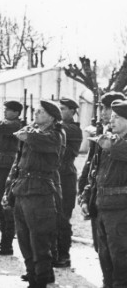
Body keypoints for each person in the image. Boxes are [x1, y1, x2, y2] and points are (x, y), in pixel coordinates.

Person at [3, 100, 66, 288]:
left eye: (40, 112)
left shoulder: (56, 134)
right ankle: (32, 276)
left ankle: (41, 279)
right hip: (22, 189)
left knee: (39, 240)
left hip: (40, 191)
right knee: (23, 240)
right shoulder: (30, 133)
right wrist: (8, 191)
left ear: (51, 117)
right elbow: (17, 164)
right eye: (36, 111)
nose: (36, 114)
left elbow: (45, 143)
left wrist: (28, 135)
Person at [81, 99, 127, 287]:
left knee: (121, 255)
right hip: (101, 206)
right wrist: (85, 198)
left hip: (121, 209)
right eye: (112, 117)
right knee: (104, 254)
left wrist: (108, 144)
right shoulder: (107, 142)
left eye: (117, 117)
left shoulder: (113, 144)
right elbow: (94, 173)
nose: (111, 121)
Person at [0, 100, 22, 256]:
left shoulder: (17, 125)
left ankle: (7, 244)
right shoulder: (5, 124)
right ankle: (3, 240)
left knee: (6, 207)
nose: (5, 112)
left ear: (16, 113)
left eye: (8, 110)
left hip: (6, 168)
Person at [53, 97, 83, 268]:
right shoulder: (57, 127)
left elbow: (56, 129)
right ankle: (53, 252)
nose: (60, 112)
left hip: (65, 177)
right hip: (54, 175)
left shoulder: (72, 129)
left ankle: (63, 254)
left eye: (63, 109)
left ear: (72, 111)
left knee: (63, 217)